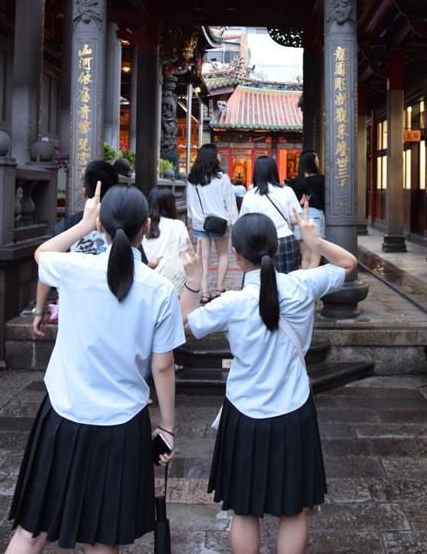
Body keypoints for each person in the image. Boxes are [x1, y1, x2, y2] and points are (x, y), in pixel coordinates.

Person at [6, 183, 200, 554]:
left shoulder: (74, 268)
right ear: (147, 226)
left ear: (101, 227)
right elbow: (162, 367)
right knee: (103, 537)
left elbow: (42, 254)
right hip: (121, 424)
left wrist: (83, 223)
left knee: (32, 530)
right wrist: (167, 427)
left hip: (63, 413)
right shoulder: (159, 290)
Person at [184, 207, 357, 554]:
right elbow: (349, 264)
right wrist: (315, 242)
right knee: (293, 508)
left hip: (243, 414)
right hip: (294, 411)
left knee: (244, 510)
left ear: (236, 255)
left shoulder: (230, 303)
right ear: (277, 248)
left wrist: (193, 279)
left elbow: (183, 324)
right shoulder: (302, 285)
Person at [33, 160, 119, 335]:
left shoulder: (67, 226)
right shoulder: (124, 224)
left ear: (84, 192)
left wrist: (39, 311)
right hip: (113, 314)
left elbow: (46, 265)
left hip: (73, 315)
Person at [187, 143, 238, 303]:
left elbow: (190, 203)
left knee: (203, 259)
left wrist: (193, 218)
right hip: (219, 223)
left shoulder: (192, 179)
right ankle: (219, 289)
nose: (219, 156)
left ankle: (205, 293)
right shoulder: (222, 178)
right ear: (213, 157)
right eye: (218, 153)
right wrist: (234, 221)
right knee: (223, 254)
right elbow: (230, 202)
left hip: (200, 223)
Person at [239, 155, 302, 273]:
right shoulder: (287, 191)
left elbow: (243, 222)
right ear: (274, 171)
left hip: (260, 243)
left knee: (262, 279)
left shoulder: (249, 196)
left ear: (256, 172)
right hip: (285, 240)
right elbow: (295, 219)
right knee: (288, 278)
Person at [142, 186, 191, 296]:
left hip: (147, 281)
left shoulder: (144, 226)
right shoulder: (178, 225)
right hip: (171, 283)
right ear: (170, 205)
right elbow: (185, 255)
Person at [288, 150, 325, 268]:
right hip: (316, 219)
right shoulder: (321, 180)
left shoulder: (294, 182)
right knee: (315, 257)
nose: (318, 162)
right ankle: (312, 280)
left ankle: (304, 278)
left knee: (304, 257)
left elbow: (292, 205)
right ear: (311, 162)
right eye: (317, 160)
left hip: (300, 218)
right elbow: (325, 202)